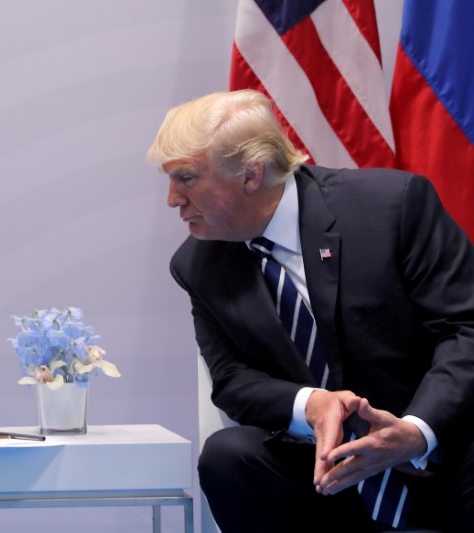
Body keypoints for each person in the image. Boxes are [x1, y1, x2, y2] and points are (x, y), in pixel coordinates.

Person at [147, 89, 474, 532]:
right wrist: (312, 405)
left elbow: (464, 328)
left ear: (251, 174)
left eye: (185, 178)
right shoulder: (199, 265)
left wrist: (417, 431)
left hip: (440, 454)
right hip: (322, 476)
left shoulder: (391, 207)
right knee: (228, 456)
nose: (172, 199)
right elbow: (232, 379)